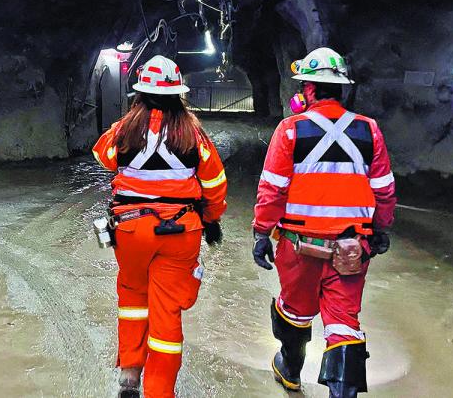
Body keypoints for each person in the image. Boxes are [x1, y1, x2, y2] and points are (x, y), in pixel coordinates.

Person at [251, 47, 396, 398]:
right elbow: (384, 188)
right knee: (344, 323)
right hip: (350, 247)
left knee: (295, 311)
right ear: (342, 89)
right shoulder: (369, 131)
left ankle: (290, 370)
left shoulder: (290, 130)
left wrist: (260, 232)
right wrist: (380, 229)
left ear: (310, 90)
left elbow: (273, 188)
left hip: (300, 245)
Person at [92, 55, 227, 398]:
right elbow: (215, 184)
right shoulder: (193, 133)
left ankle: (129, 374)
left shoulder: (124, 129)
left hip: (130, 229)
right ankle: (159, 390)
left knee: (133, 296)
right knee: (166, 310)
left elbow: (102, 156)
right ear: (177, 94)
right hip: (180, 233)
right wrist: (210, 220)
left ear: (140, 93)